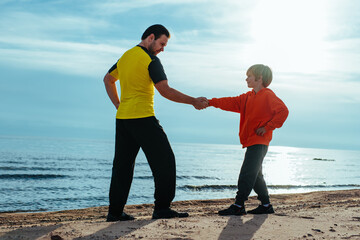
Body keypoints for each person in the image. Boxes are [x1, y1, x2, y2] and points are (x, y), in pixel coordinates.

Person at [103, 24, 207, 221]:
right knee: (165, 162)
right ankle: (162, 208)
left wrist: (119, 104)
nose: (162, 49)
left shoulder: (125, 56)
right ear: (150, 37)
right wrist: (193, 101)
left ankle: (114, 213)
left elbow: (108, 79)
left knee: (122, 167)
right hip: (143, 118)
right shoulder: (151, 60)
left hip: (123, 120)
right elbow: (165, 91)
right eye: (161, 43)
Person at [206, 64, 289, 215]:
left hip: (260, 141)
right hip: (251, 141)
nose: (246, 78)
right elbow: (229, 102)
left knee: (247, 172)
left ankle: (239, 205)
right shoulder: (247, 97)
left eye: (249, 76)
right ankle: (266, 205)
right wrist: (210, 102)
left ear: (260, 78)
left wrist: (268, 127)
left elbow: (283, 111)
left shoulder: (268, 95)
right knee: (256, 175)